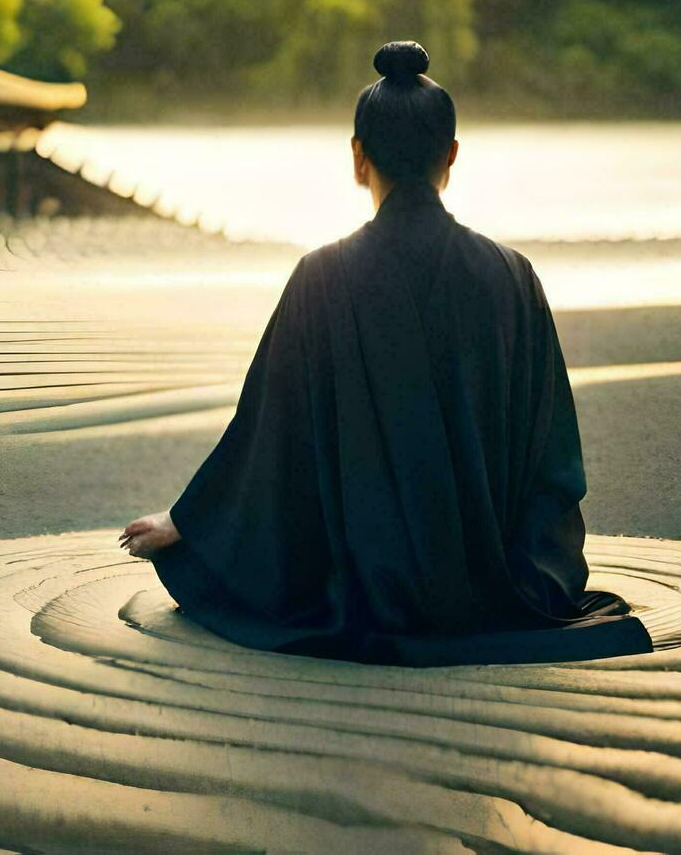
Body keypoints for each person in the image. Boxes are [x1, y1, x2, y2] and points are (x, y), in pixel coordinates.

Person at [118, 40, 653, 667]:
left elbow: (270, 440)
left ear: (357, 158)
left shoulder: (321, 276)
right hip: (495, 583)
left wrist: (194, 525)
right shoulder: (513, 276)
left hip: (359, 586)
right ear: (451, 157)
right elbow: (550, 455)